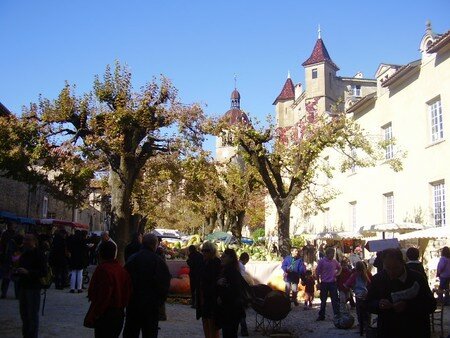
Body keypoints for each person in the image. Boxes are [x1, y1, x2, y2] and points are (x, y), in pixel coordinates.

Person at [366, 248, 436, 338]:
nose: (391, 272)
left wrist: (408, 306)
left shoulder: (417, 278)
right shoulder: (378, 279)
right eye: (388, 268)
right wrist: (378, 304)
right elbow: (368, 303)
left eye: (395, 268)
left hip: (415, 330)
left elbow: (431, 305)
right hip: (388, 331)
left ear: (402, 263)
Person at [123, 233, 171, 338]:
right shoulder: (158, 261)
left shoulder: (132, 259)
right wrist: (159, 301)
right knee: (150, 333)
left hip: (133, 303)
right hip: (151, 305)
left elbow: (124, 281)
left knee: (131, 332)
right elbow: (164, 283)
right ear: (155, 245)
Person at [84, 241, 132, 338]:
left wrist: (96, 313)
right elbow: (128, 292)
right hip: (119, 313)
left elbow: (104, 294)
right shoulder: (121, 270)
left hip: (106, 314)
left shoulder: (103, 269)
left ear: (100, 253)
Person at [15, 233, 47, 338]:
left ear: (34, 242)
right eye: (24, 239)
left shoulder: (39, 254)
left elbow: (43, 272)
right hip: (23, 286)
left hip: (33, 288)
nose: (25, 242)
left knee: (32, 315)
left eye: (27, 240)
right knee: (24, 315)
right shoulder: (24, 253)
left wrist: (28, 272)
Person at [216, 248, 249, 338]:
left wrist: (221, 297)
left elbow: (234, 290)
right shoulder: (230, 270)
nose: (221, 258)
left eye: (224, 256)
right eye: (221, 256)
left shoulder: (230, 271)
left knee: (229, 333)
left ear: (230, 258)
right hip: (232, 309)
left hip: (231, 309)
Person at [196, 241, 221, 338]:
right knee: (205, 320)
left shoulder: (216, 263)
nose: (203, 253)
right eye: (202, 251)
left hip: (211, 297)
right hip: (203, 296)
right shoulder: (203, 262)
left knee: (212, 323)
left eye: (206, 251)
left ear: (212, 251)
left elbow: (214, 280)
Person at [344, 261, 371, 335]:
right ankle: (368, 325)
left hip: (358, 296)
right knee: (367, 311)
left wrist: (351, 288)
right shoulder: (366, 274)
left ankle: (361, 326)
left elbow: (347, 285)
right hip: (366, 295)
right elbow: (370, 284)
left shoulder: (354, 275)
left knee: (359, 312)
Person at [315, 247, 341, 321]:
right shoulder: (322, 262)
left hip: (333, 282)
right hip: (324, 283)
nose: (332, 255)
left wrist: (338, 274)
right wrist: (318, 282)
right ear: (327, 254)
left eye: (333, 254)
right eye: (331, 254)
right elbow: (317, 272)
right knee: (323, 300)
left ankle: (336, 314)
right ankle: (321, 315)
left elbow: (340, 268)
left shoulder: (334, 261)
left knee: (335, 300)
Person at [1, 222, 16, 298]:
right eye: (13, 226)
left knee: (8, 276)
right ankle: (4, 292)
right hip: (8, 257)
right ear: (9, 226)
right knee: (7, 276)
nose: (14, 227)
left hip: (10, 257)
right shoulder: (8, 235)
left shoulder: (12, 234)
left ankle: (4, 292)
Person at [238, 252, 250, 336]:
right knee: (241, 312)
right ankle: (244, 330)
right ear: (245, 259)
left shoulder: (237, 264)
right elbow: (242, 279)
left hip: (237, 291)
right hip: (239, 291)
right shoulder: (241, 266)